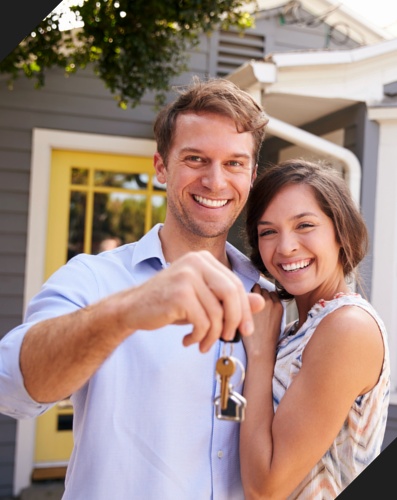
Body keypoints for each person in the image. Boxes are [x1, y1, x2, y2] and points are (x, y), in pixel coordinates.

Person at [0, 76, 279, 500]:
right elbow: (11, 389)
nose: (216, 181)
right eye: (196, 159)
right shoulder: (95, 278)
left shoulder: (272, 298)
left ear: (252, 175)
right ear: (161, 167)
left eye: (234, 163)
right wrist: (127, 309)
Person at [241, 159, 390, 499]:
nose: (285, 247)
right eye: (268, 231)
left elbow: (266, 488)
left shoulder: (347, 328)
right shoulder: (297, 328)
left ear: (341, 233)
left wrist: (261, 354)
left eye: (304, 225)